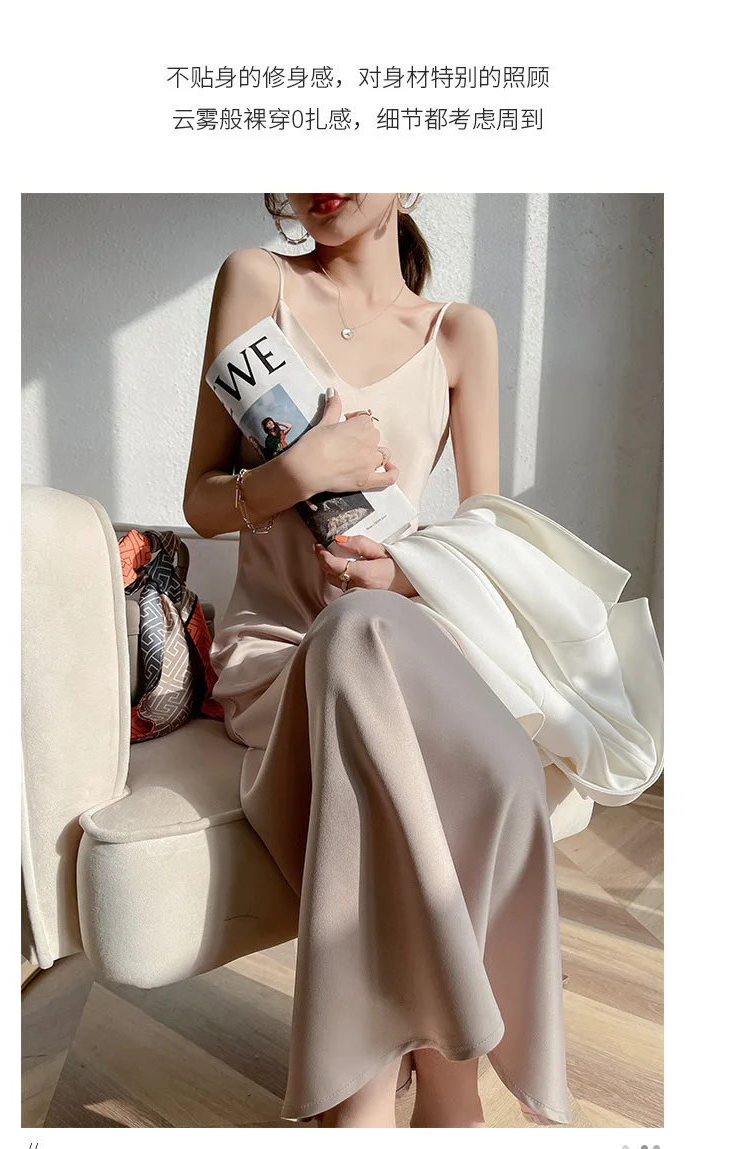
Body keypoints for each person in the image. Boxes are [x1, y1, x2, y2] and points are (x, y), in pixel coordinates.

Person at [183, 193, 572, 1129]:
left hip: (401, 639)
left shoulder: (461, 335)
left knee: (498, 759)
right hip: (283, 654)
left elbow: (483, 540)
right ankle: (445, 1088)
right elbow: (200, 500)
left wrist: (401, 574)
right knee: (352, 637)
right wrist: (302, 470)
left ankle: (384, 1080)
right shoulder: (257, 282)